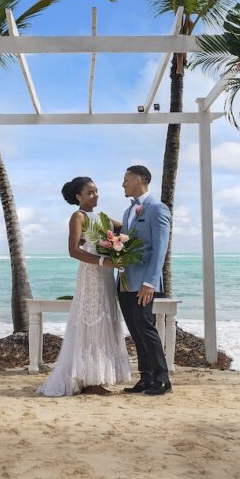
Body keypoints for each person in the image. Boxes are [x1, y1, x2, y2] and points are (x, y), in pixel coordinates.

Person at [37, 177, 131, 396]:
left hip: (106, 276)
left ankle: (99, 377)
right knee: (92, 320)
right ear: (78, 196)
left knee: (106, 319)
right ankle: (89, 380)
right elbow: (74, 251)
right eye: (90, 192)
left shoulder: (103, 217)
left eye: (97, 191)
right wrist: (102, 261)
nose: (95, 195)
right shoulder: (78, 216)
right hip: (91, 274)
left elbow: (126, 228)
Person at [117, 165, 172, 396]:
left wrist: (150, 283)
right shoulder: (128, 211)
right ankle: (146, 378)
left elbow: (160, 248)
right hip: (125, 281)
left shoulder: (157, 209)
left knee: (146, 329)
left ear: (139, 180)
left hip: (143, 284)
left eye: (126, 179)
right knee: (136, 331)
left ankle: (162, 379)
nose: (123, 184)